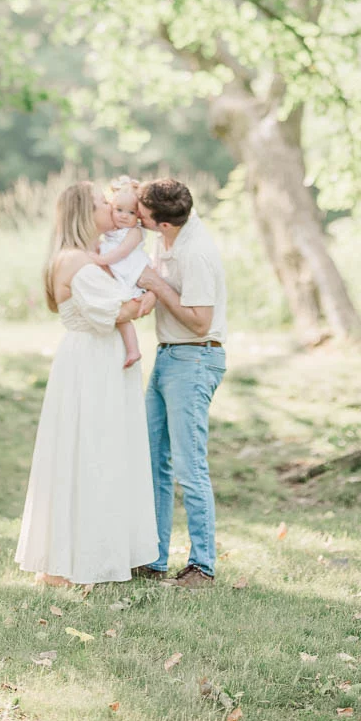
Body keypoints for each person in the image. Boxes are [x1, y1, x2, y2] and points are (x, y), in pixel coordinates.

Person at [14, 181, 158, 586]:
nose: (110, 209)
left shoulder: (89, 257)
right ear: (83, 213)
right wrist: (147, 300)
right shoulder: (77, 260)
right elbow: (117, 309)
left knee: (99, 451)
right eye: (100, 204)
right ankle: (73, 562)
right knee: (90, 451)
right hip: (91, 362)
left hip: (99, 358)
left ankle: (85, 554)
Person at [133, 177, 227, 589]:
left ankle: (201, 566)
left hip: (194, 356)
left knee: (190, 467)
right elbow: (158, 200)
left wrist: (157, 285)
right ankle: (154, 559)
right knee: (155, 460)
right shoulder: (171, 228)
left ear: (163, 224)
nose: (137, 218)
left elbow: (200, 320)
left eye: (142, 214)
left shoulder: (197, 253)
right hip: (167, 355)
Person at [94, 174, 149, 368]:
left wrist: (101, 260)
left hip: (129, 275)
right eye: (119, 210)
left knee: (122, 316)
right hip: (117, 275)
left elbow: (122, 252)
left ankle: (134, 350)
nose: (124, 216)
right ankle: (127, 351)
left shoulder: (134, 232)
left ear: (139, 216)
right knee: (117, 315)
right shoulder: (109, 230)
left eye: (131, 213)